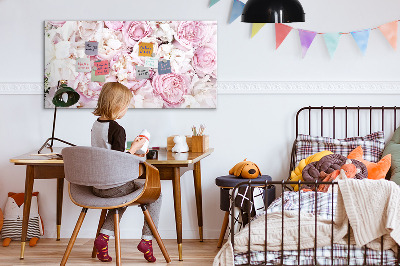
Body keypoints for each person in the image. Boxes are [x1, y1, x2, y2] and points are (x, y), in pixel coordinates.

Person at [91, 82, 161, 263]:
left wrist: (130, 149)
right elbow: (119, 160)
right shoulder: (117, 129)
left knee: (121, 198)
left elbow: (108, 154)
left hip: (97, 186)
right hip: (114, 186)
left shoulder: (96, 125)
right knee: (156, 194)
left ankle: (103, 238)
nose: (126, 110)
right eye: (126, 106)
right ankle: (147, 240)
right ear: (117, 105)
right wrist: (136, 148)